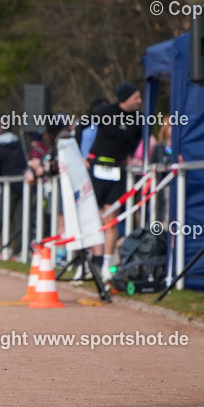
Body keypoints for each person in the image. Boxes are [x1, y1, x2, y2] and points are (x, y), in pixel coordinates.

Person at [88, 81, 143, 278]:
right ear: (125, 98)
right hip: (97, 167)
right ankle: (89, 260)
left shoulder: (139, 119)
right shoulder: (105, 112)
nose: (140, 101)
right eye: (136, 97)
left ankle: (107, 266)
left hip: (118, 170)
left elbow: (133, 141)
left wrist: (128, 156)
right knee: (91, 217)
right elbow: (86, 127)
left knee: (111, 218)